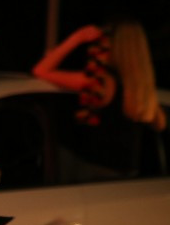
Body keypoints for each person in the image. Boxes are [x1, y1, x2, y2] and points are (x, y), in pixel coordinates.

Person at [33, 20, 166, 176]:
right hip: (125, 178)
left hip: (93, 173)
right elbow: (160, 124)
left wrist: (77, 37)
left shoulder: (101, 82)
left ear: (115, 46)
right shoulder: (142, 91)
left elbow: (40, 70)